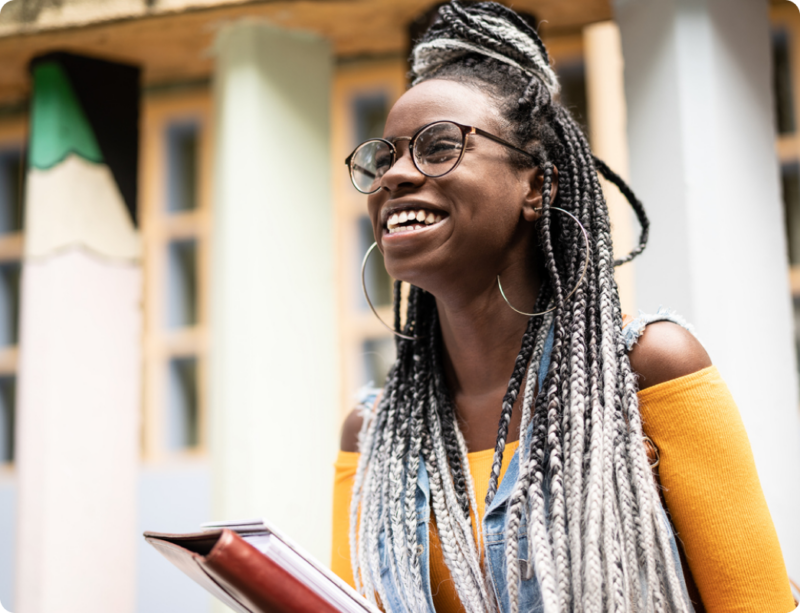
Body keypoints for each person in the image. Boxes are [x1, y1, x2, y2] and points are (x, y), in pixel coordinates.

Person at [330, 2, 796, 612]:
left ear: (538, 186)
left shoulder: (648, 371)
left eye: (439, 147)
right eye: (384, 157)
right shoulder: (370, 435)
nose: (395, 176)